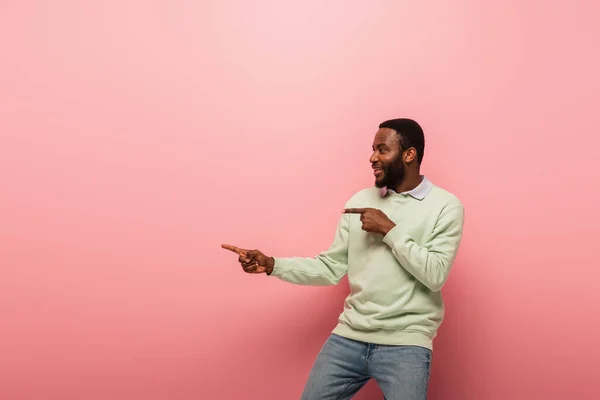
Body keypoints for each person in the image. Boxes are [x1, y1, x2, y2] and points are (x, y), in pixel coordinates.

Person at [222, 118, 464, 400]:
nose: (372, 157)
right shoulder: (360, 201)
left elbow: (435, 275)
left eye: (382, 149)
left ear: (409, 155)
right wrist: (273, 264)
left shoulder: (446, 206)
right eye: (373, 149)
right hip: (349, 337)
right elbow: (331, 268)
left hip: (406, 342)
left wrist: (389, 230)